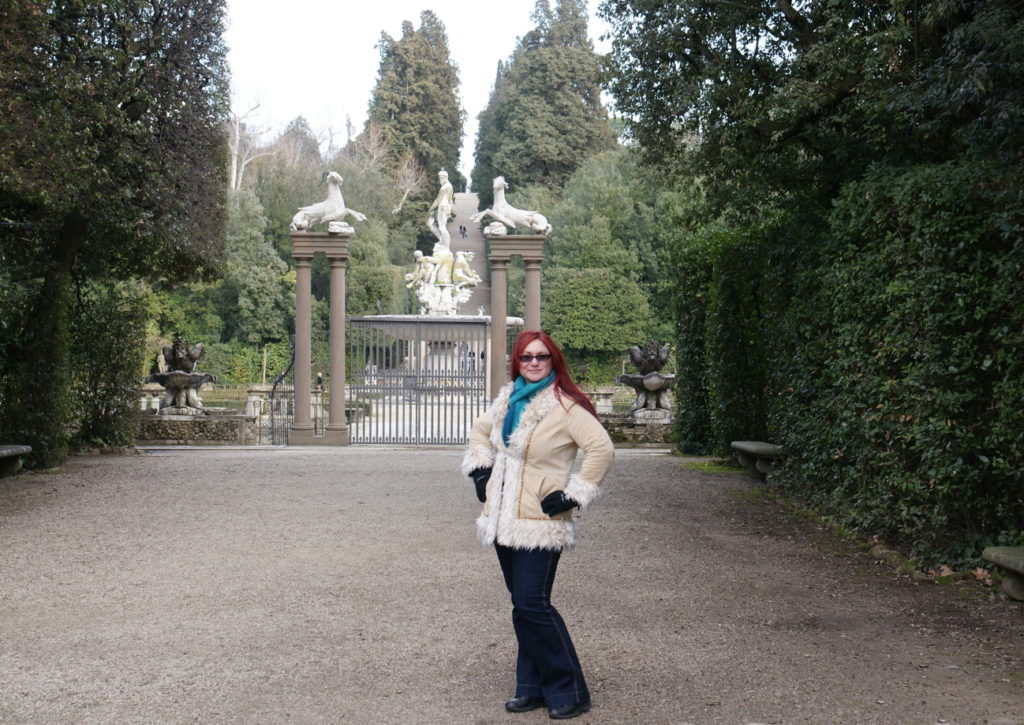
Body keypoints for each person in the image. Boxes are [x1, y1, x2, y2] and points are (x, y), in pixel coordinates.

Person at [461, 331, 614, 720]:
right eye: (526, 357)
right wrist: (482, 470)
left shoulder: (565, 406)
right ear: (517, 362)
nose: (533, 363)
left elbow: (601, 447)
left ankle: (570, 690)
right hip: (501, 519)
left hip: (539, 522)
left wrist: (574, 493)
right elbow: (480, 434)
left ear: (553, 361)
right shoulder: (506, 401)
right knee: (522, 606)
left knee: (533, 603)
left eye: (541, 357)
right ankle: (530, 687)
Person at [427, 168, 454, 247]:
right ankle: (442, 241)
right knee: (431, 224)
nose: (440, 180)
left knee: (442, 227)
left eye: (441, 178)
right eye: (440, 178)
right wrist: (450, 209)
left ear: (446, 177)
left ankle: (446, 245)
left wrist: (431, 209)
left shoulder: (444, 187)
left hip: (442, 207)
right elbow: (450, 200)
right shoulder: (450, 186)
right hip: (446, 207)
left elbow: (438, 200)